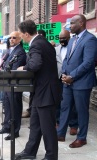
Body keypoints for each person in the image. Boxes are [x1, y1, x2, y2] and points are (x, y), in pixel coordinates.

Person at [15, 20, 61, 160]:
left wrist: (23, 67)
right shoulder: (43, 42)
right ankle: (30, 151)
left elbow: (35, 64)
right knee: (35, 125)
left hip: (46, 92)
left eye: (21, 35)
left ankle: (51, 156)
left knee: (47, 128)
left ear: (27, 34)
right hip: (40, 92)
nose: (21, 38)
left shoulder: (36, 44)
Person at [57, 14, 97, 148]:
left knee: (81, 111)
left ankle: (82, 137)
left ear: (81, 23)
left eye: (72, 23)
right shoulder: (72, 39)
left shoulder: (90, 39)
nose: (69, 26)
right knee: (65, 107)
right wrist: (64, 74)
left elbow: (88, 63)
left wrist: (72, 76)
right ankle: (60, 133)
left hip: (82, 82)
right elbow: (67, 60)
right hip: (68, 81)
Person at [0, 31, 26, 141]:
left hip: (14, 84)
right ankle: (7, 127)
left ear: (19, 39)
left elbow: (14, 69)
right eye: (10, 38)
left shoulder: (20, 52)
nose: (11, 39)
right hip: (6, 83)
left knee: (15, 108)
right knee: (7, 107)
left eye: (14, 38)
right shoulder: (9, 51)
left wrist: (5, 70)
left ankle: (15, 131)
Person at [55, 30, 78, 136]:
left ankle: (73, 125)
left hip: (71, 78)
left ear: (69, 37)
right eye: (60, 38)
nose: (62, 40)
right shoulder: (56, 49)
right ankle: (59, 122)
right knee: (59, 102)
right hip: (59, 78)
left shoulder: (74, 47)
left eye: (64, 38)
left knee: (72, 103)